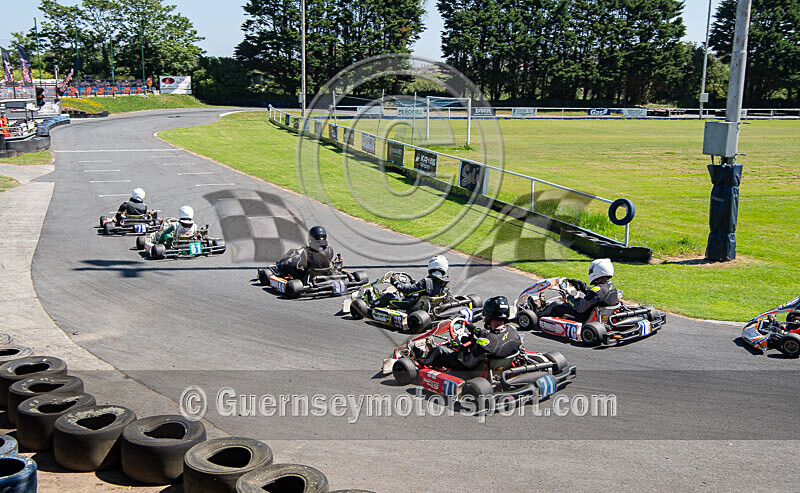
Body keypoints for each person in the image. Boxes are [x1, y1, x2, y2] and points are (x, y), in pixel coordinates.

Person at [419, 296, 522, 371]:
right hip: (499, 366)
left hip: (474, 371)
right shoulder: (513, 331)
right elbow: (493, 336)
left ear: (489, 315)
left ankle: (422, 361)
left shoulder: (486, 344)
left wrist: (459, 346)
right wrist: (474, 329)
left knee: (439, 350)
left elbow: (467, 362)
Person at [540, 258, 619, 320]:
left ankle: (539, 315)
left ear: (599, 271)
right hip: (599, 315)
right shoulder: (610, 286)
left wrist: (568, 297)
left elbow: (579, 307)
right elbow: (594, 295)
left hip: (584, 316)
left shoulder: (596, 292)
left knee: (556, 304)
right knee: (575, 300)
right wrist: (581, 285)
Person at [374, 255, 450, 309]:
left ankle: (371, 306)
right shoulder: (445, 283)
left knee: (388, 296)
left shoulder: (426, 282)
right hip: (426, 305)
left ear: (432, 265)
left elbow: (407, 291)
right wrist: (415, 284)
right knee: (412, 293)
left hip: (412, 305)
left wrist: (394, 281)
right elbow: (425, 289)